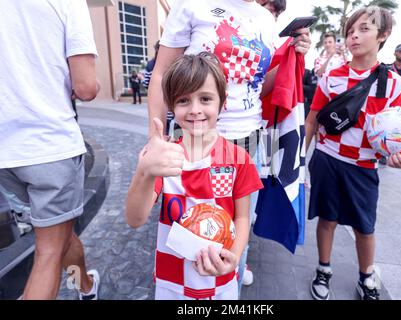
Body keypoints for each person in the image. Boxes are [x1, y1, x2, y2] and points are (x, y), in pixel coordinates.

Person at [146, 0, 311, 295]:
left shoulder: (264, 18)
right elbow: (161, 74)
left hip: (248, 141)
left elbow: (257, 84)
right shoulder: (192, 6)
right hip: (196, 138)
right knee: (185, 227)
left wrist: (292, 56)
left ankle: (226, 290)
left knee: (235, 229)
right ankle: (180, 289)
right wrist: (155, 138)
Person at [125, 53, 263, 300]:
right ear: (171, 105)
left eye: (206, 98)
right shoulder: (165, 156)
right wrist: (144, 171)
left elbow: (242, 217)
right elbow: (135, 219)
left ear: (223, 102)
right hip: (172, 282)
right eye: (183, 100)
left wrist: (234, 257)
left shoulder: (239, 158)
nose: (195, 109)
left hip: (219, 279)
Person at [304, 6, 401, 300]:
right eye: (351, 31)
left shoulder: (393, 83)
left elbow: (396, 134)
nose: (354, 36)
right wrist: (300, 159)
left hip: (365, 167)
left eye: (364, 29)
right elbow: (313, 118)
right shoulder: (332, 76)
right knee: (327, 220)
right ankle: (323, 269)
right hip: (327, 159)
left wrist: (400, 157)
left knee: (364, 226)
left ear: (384, 35)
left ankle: (366, 276)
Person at [0, 0, 100, 300]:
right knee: (48, 253)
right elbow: (86, 87)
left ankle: (86, 288)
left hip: (6, 155)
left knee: (60, 234)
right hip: (49, 146)